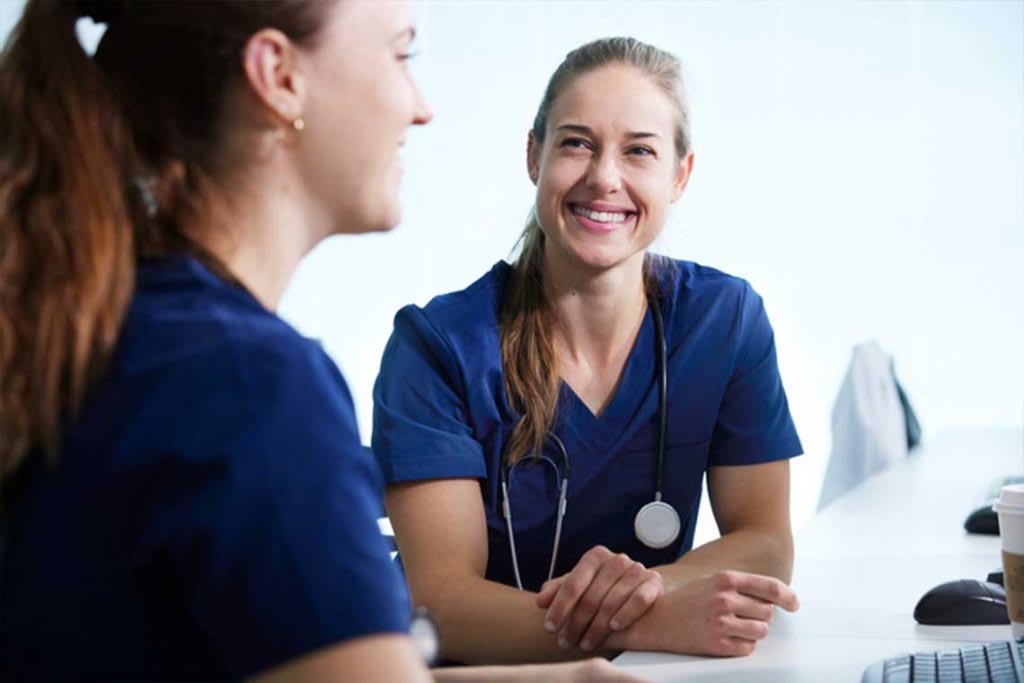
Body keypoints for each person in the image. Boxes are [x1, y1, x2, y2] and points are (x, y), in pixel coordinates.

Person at [0, 2, 643, 681]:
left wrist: (568, 676)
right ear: (278, 76)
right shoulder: (250, 387)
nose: (419, 107)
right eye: (402, 55)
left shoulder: (117, 331)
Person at [373, 36, 803, 664]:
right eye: (576, 143)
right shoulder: (437, 348)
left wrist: (648, 589)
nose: (605, 177)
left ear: (679, 175)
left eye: (639, 151)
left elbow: (765, 539)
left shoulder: (725, 321)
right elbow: (441, 601)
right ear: (534, 156)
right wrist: (644, 621)